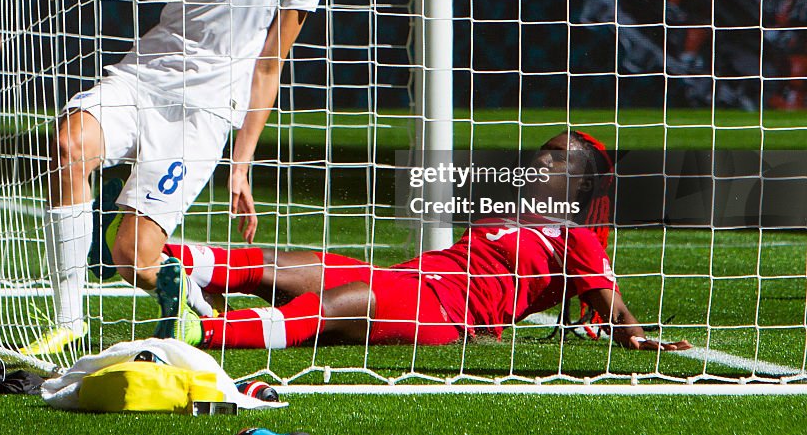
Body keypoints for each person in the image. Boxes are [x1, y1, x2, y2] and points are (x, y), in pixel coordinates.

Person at [20, 0, 328, 356]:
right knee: (70, 143)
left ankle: (195, 304)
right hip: (141, 81)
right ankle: (69, 318)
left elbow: (268, 67)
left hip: (203, 116)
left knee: (133, 258)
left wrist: (242, 164)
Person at [152, 131, 692, 353]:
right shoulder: (511, 212)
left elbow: (606, 293)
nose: (540, 159)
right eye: (542, 150)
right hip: (409, 277)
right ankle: (161, 256)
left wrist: (635, 336)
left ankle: (196, 333)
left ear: (581, 182)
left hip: (442, 312)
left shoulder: (576, 237)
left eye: (558, 158)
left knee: (339, 304)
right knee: (292, 265)